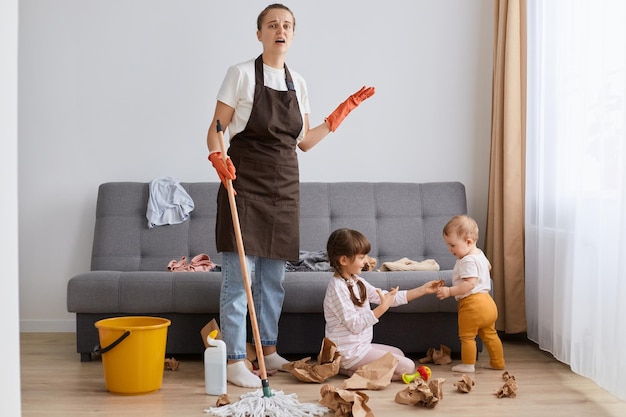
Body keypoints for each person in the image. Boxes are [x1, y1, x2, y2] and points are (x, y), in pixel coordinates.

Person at [205, 4, 375, 388]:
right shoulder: (241, 74)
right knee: (240, 281)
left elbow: (305, 142)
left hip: (284, 190)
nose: (280, 30)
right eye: (272, 24)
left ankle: (266, 350)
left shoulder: (298, 82)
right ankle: (234, 359)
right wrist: (218, 155)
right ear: (259, 33)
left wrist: (340, 114)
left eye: (287, 25)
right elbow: (216, 128)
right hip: (244, 185)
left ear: (293, 34)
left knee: (272, 281)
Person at [324, 228, 441, 381]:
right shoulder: (337, 288)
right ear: (344, 260)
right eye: (361, 257)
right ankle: (346, 367)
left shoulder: (356, 281)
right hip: (349, 353)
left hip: (361, 348)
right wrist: (382, 308)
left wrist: (423, 290)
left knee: (398, 353)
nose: (366, 261)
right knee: (407, 366)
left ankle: (349, 370)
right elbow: (355, 325)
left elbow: (388, 297)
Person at [435, 215, 506, 372]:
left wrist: (449, 291)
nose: (449, 249)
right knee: (490, 334)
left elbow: (469, 284)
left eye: (452, 245)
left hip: (473, 305)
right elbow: (488, 267)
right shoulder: (479, 254)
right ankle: (497, 362)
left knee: (467, 336)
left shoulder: (467, 261)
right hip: (488, 303)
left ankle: (468, 364)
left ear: (468, 242)